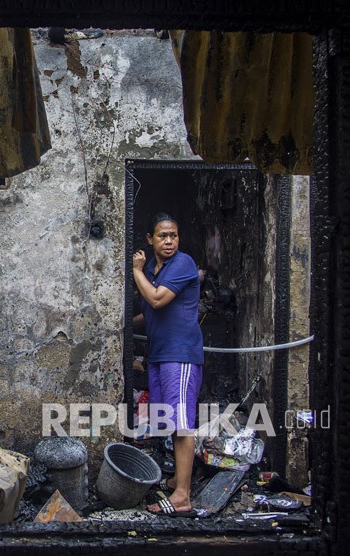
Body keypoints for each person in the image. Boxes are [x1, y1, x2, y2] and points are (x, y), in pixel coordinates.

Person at [132, 212, 203, 517]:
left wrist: (135, 272)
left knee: (183, 423)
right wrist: (121, 325)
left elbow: (158, 300)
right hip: (160, 355)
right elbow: (150, 311)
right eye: (162, 236)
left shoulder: (182, 263)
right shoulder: (153, 268)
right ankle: (178, 479)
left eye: (173, 235)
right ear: (150, 239)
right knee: (170, 421)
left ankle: (182, 497)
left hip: (181, 354)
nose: (169, 241)